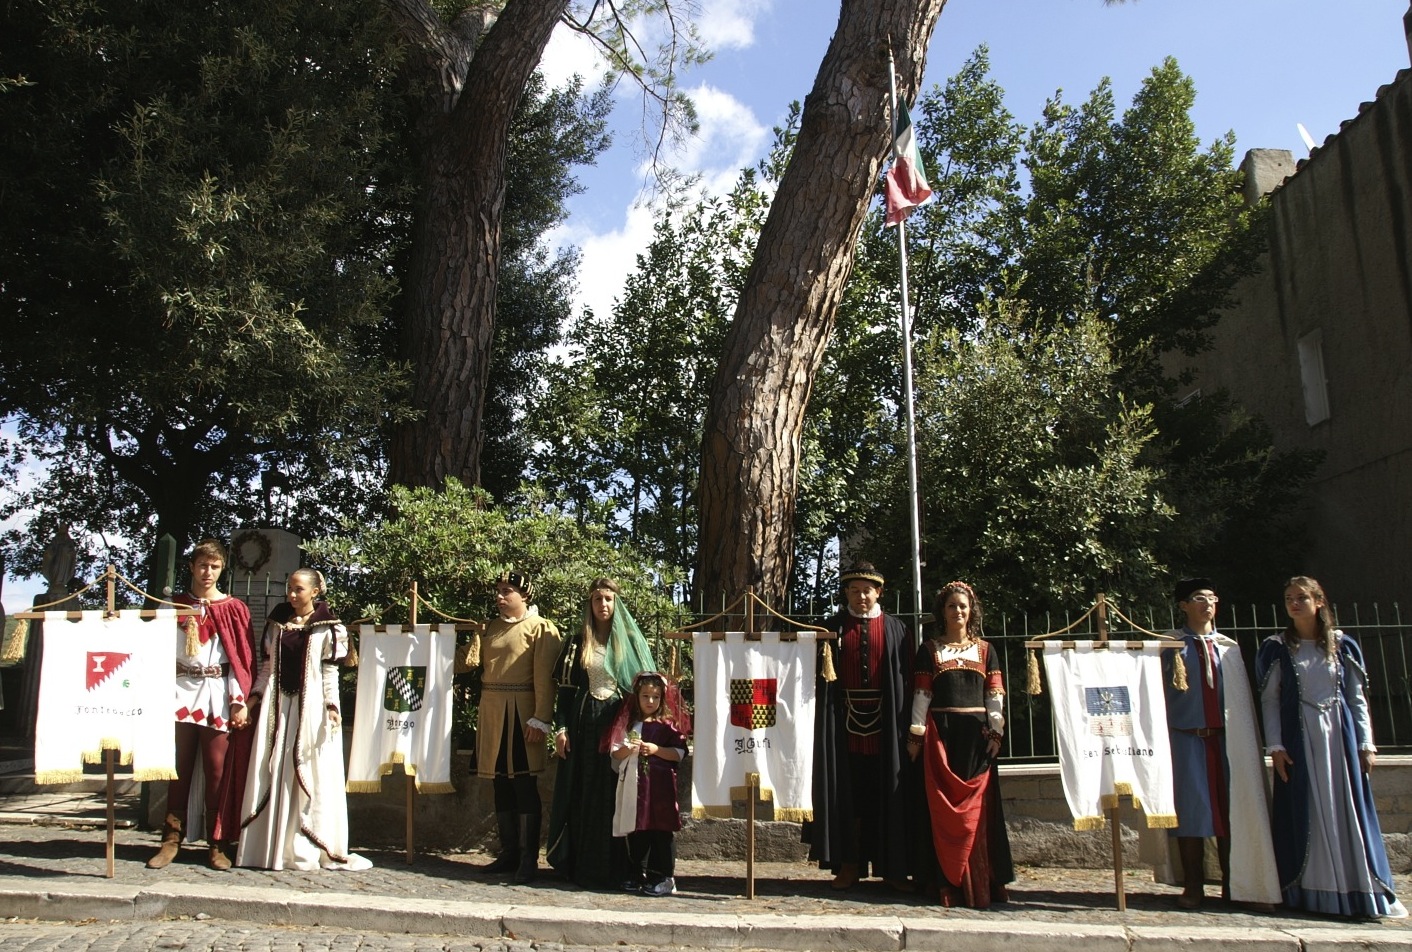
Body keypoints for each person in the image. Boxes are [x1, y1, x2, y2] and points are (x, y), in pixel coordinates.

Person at [1256, 576, 1406, 918]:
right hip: (1299, 738)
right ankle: (1311, 891)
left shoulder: (1342, 645)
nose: (1294, 604)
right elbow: (1270, 700)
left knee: (1347, 807)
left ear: (1319, 601)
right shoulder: (1277, 647)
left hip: (1340, 737)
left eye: (1301, 597)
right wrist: (1275, 745)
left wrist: (1366, 742)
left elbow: (1356, 697)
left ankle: (1360, 890)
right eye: (1289, 598)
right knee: (1306, 807)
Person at [237, 568, 369, 871]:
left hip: (309, 710)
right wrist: (252, 701)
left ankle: (304, 846)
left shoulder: (329, 628)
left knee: (308, 771)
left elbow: (329, 673)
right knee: (273, 769)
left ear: (315, 592)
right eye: (290, 588)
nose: (292, 594)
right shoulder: (277, 624)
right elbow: (267, 669)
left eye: (298, 589)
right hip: (278, 708)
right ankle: (268, 847)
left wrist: (332, 707)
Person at [1159, 577, 1280, 910]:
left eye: (1212, 598)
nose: (1207, 604)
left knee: (1233, 812)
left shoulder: (1228, 647)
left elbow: (1239, 699)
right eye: (1199, 598)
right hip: (1185, 739)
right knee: (1190, 814)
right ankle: (1193, 885)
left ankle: (1234, 883)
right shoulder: (1169, 645)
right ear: (1184, 605)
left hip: (1227, 741)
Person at [803, 562, 914, 891]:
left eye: (867, 590)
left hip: (886, 728)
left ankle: (892, 869)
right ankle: (849, 866)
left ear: (879, 592)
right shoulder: (830, 629)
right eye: (854, 590)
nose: (861, 596)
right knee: (847, 797)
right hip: (843, 727)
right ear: (846, 593)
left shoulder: (897, 630)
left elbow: (908, 680)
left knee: (886, 796)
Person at [148, 539, 255, 871]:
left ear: (222, 569)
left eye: (215, 566)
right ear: (192, 567)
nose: (208, 572)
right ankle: (170, 840)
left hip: (215, 693)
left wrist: (238, 701)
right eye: (203, 565)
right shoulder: (172, 606)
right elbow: (154, 650)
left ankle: (217, 843)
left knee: (217, 770)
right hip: (178, 691)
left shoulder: (234, 608)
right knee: (177, 768)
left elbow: (240, 659)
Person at [546, 578, 656, 889]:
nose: (603, 605)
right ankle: (585, 867)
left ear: (616, 603)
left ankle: (623, 868)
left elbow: (645, 691)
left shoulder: (630, 642)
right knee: (585, 791)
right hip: (584, 723)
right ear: (590, 603)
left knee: (617, 793)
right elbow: (565, 692)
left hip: (618, 722)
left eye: (608, 599)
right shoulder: (577, 642)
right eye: (597, 599)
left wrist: (638, 729)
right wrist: (561, 728)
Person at [908, 580, 1012, 908]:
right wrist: (916, 735)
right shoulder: (929, 650)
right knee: (942, 811)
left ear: (971, 611)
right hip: (942, 739)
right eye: (952, 605)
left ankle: (983, 879)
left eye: (963, 606)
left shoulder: (986, 650)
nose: (958, 611)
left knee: (979, 813)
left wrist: (996, 731)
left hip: (977, 740)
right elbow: (922, 695)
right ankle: (946, 881)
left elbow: (994, 695)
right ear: (942, 611)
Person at [464, 570, 561, 884]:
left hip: (522, 713)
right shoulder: (490, 627)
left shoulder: (540, 627)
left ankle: (528, 858)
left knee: (522, 783)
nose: (500, 596)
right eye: (499, 590)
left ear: (524, 595)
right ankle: (508, 854)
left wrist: (541, 717)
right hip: (492, 711)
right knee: (500, 784)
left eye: (507, 591)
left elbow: (546, 678)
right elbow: (467, 661)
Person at [609, 671, 690, 897]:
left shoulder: (668, 726)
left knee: (661, 829)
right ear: (637, 696)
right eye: (645, 696)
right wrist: (629, 749)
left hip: (660, 787)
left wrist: (656, 750)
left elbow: (679, 753)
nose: (650, 701)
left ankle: (664, 876)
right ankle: (638, 873)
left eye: (655, 697)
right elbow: (615, 753)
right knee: (637, 829)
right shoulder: (629, 723)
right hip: (634, 787)